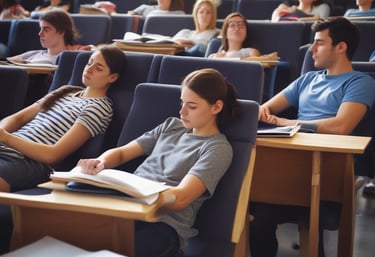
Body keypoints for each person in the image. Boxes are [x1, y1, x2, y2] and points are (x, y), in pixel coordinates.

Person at [76, 68, 242, 257]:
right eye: (182, 103)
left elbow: (181, 198)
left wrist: (138, 194)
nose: (182, 111)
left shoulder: (217, 148)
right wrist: (100, 162)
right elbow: (122, 153)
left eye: (192, 106)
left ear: (216, 107)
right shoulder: (171, 126)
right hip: (128, 211)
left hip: (163, 226)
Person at [250, 16, 375, 257]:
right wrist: (261, 112)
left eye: (319, 43)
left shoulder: (361, 82)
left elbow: (341, 127)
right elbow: (266, 110)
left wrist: (289, 122)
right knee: (255, 216)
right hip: (290, 161)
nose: (312, 49)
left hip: (327, 164)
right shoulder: (308, 79)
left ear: (341, 47)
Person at [0, 45, 127, 193]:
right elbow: (18, 118)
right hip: (6, 149)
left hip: (28, 163)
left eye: (98, 68)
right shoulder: (65, 91)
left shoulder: (99, 107)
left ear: (113, 77)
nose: (89, 69)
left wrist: (6, 138)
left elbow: (52, 155)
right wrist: (2, 132)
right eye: (89, 63)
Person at [7, 10, 93, 66]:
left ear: (62, 31)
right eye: (41, 29)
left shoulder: (73, 55)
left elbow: (94, 52)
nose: (40, 33)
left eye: (46, 29)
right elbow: (6, 64)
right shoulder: (32, 54)